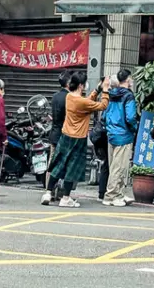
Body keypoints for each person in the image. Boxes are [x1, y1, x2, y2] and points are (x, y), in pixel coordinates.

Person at [42, 72, 109, 208]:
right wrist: (106, 91)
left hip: (65, 135)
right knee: (72, 168)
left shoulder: (69, 97)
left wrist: (97, 90)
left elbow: (87, 102)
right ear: (81, 85)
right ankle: (65, 198)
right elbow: (102, 106)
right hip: (77, 138)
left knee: (59, 164)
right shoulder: (81, 101)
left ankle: (48, 193)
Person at [103, 69, 138, 207]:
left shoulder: (111, 94)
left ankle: (119, 193)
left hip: (111, 133)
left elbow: (104, 115)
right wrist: (134, 128)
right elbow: (130, 117)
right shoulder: (128, 96)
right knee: (120, 167)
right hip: (123, 134)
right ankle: (111, 195)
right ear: (128, 80)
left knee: (114, 166)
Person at [46, 70, 71, 193]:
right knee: (64, 163)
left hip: (54, 134)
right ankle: (60, 192)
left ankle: (48, 190)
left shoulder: (55, 96)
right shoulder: (69, 97)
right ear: (68, 83)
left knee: (52, 161)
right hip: (64, 135)